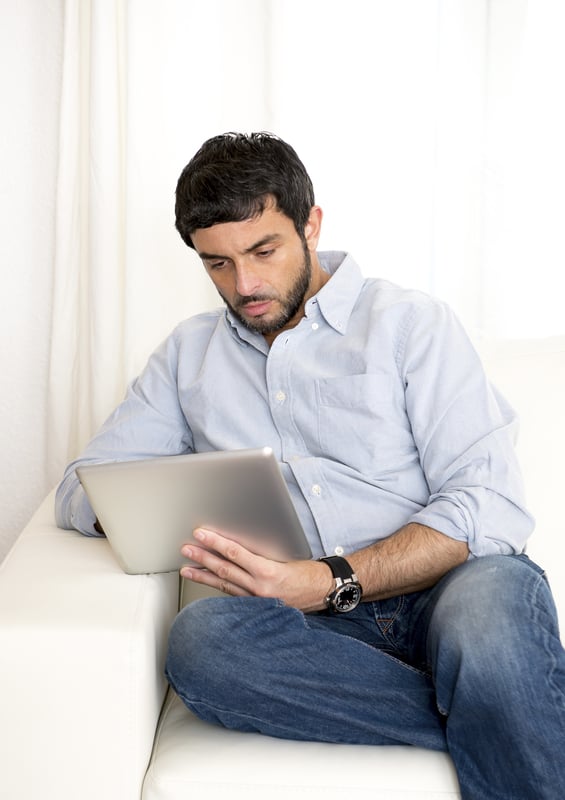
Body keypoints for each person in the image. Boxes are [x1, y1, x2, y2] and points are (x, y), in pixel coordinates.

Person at [56, 132, 565, 799]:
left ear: (310, 225)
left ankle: (501, 688)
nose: (244, 284)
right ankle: (508, 708)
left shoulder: (409, 325)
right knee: (201, 644)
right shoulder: (188, 357)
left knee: (490, 627)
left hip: (451, 588)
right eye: (217, 264)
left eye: (263, 251)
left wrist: (328, 579)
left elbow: (489, 502)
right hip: (312, 634)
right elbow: (82, 488)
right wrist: (167, 507)